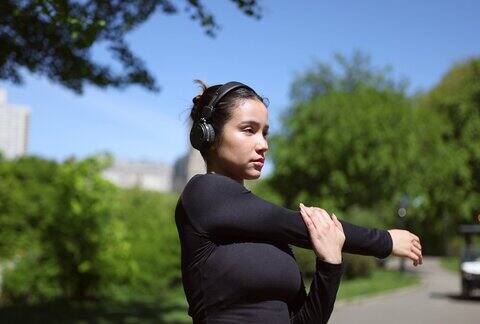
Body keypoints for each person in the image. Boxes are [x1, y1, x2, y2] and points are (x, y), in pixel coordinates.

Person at [174, 80, 424, 324]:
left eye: (265, 133)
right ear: (209, 135)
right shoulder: (203, 194)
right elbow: (300, 226)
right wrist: (386, 241)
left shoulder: (271, 238)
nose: (263, 145)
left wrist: (330, 265)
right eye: (249, 130)